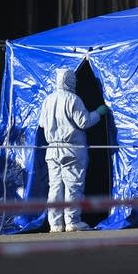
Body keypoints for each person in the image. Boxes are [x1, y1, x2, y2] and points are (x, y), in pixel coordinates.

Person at [38, 68, 109, 232]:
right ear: (70, 80)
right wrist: (98, 113)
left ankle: (55, 224)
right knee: (73, 186)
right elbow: (84, 122)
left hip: (52, 149)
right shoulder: (73, 99)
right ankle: (72, 221)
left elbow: (42, 124)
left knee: (55, 187)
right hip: (72, 149)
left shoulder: (48, 100)